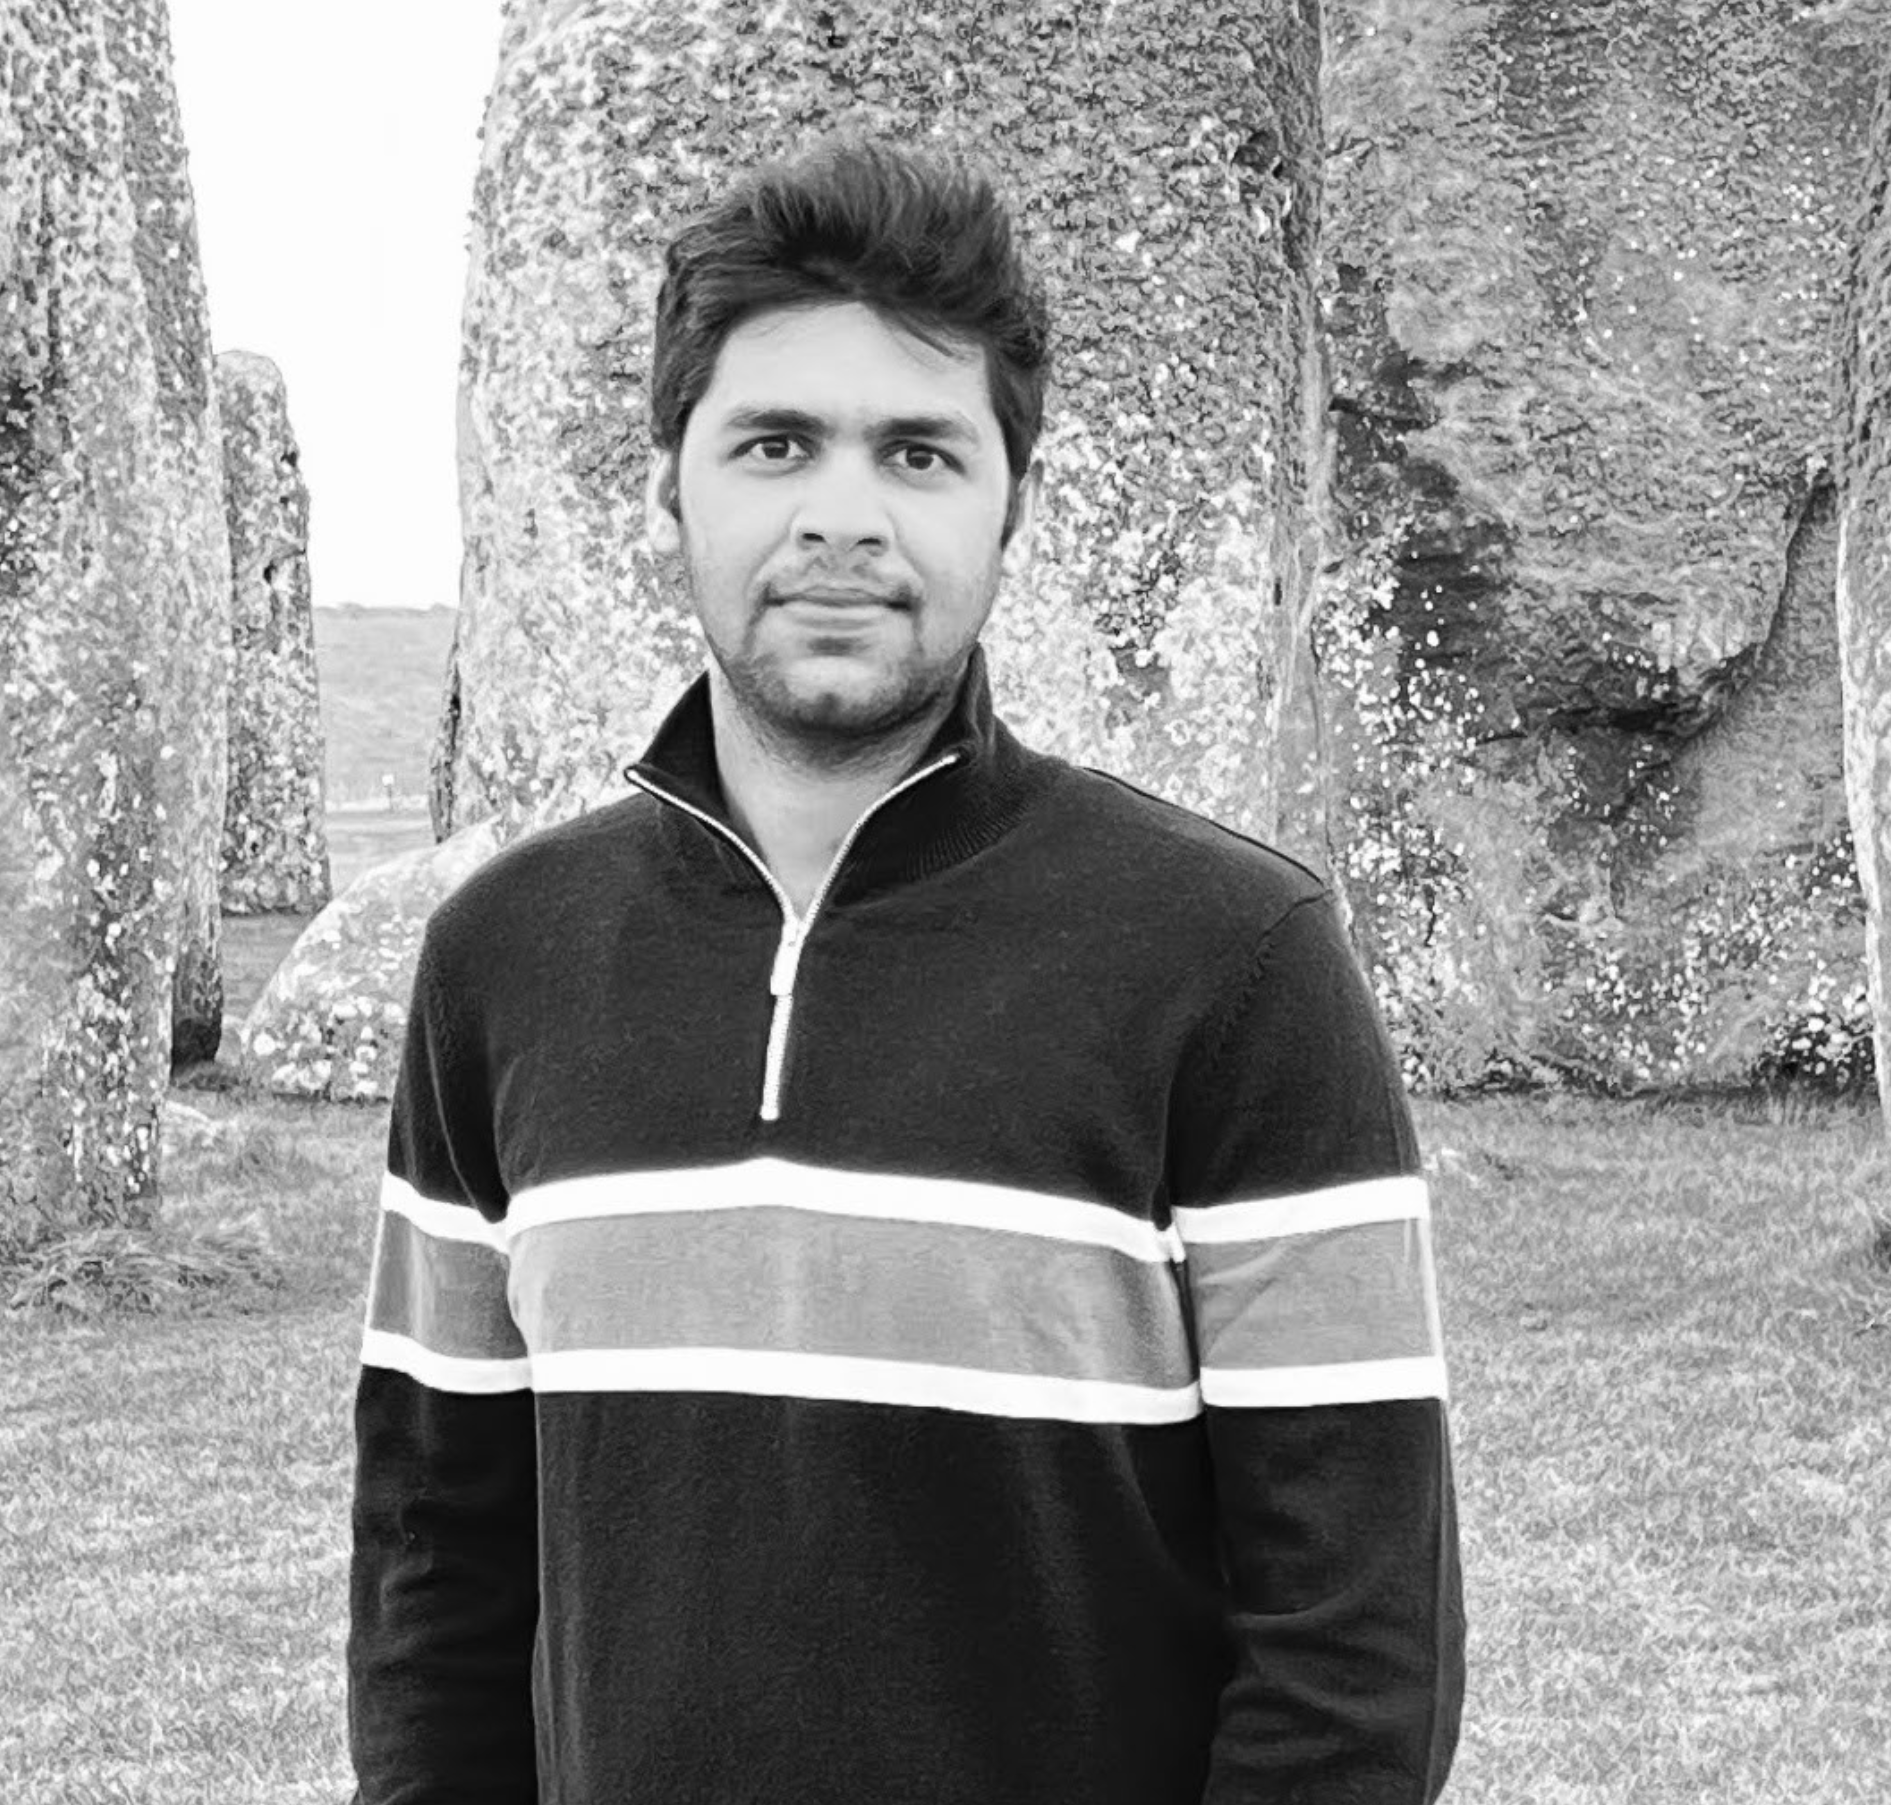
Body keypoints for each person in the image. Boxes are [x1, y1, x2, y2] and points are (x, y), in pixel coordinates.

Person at [347, 136, 1465, 1805]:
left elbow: (1356, 1642)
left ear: (1015, 502)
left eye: (920, 453)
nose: (841, 516)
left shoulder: (1233, 960)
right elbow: (435, 1562)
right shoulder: (503, 958)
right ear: (670, 488)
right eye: (774, 443)